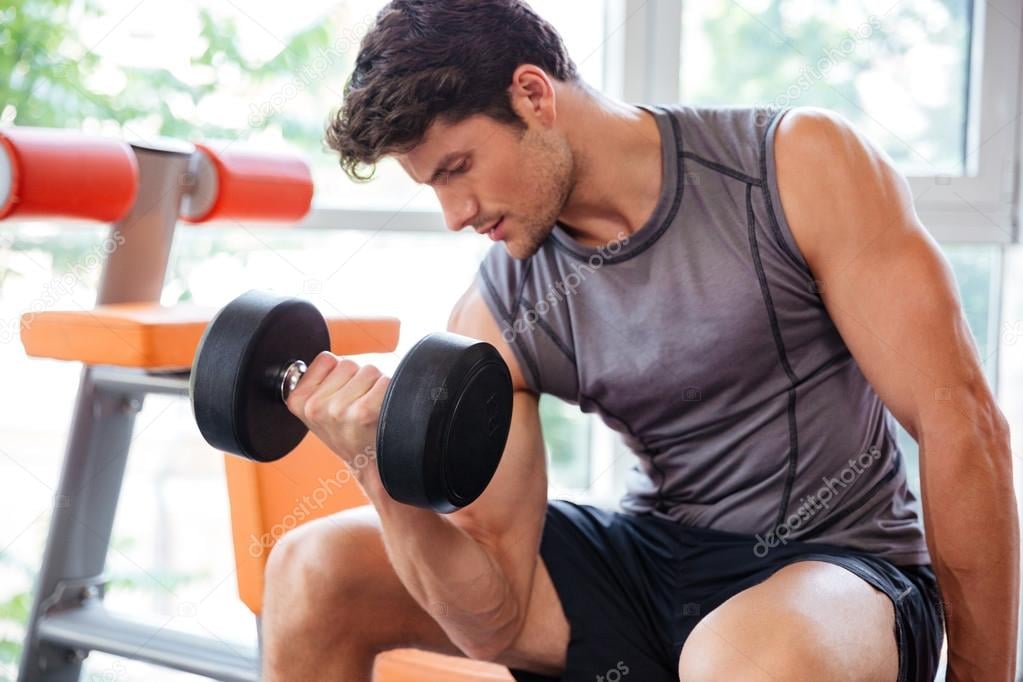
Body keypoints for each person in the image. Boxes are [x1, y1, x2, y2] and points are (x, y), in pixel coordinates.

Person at [261, 1, 1018, 680]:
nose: (455, 213)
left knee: (744, 660)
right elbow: (492, 619)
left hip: (839, 571)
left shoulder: (792, 167)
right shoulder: (499, 307)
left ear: (532, 94)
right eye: (430, 186)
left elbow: (963, 427)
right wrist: (377, 474)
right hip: (651, 568)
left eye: (458, 168)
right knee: (313, 567)